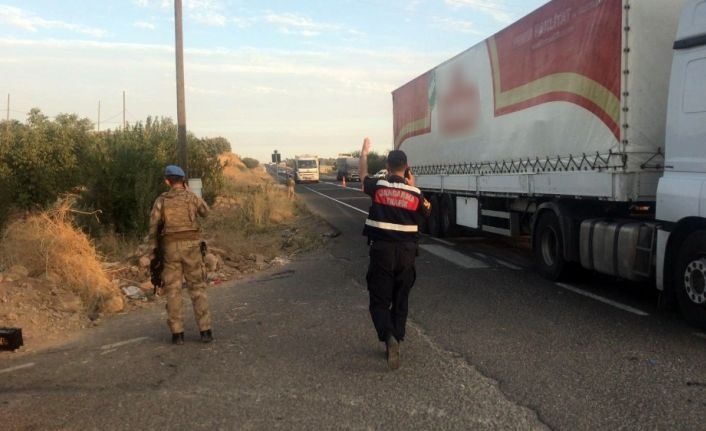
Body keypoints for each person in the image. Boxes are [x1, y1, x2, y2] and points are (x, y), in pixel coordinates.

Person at [359, 138, 431, 370]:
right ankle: (397, 338)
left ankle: (388, 336)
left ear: (388, 167)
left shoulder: (379, 187)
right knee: (401, 298)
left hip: (382, 252)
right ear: (406, 167)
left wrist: (364, 154)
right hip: (407, 255)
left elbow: (363, 178)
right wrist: (413, 185)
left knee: (379, 300)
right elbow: (427, 211)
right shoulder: (417, 194)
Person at [148, 165, 213, 345]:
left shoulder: (161, 200)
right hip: (192, 248)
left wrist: (153, 250)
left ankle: (178, 334)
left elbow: (153, 227)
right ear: (183, 181)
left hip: (170, 249)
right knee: (197, 288)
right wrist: (192, 194)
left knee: (173, 290)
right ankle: (205, 331)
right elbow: (206, 213)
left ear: (167, 181)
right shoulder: (192, 197)